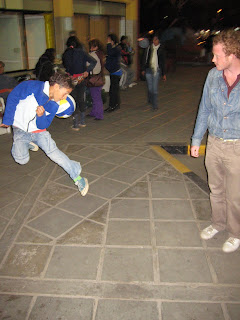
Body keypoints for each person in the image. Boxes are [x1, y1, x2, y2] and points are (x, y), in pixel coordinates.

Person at [191, 29, 240, 253]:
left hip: (237, 146)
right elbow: (204, 109)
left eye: (217, 55)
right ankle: (218, 224)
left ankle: (235, 232)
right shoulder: (213, 76)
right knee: (216, 189)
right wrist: (196, 139)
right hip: (214, 143)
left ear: (232, 55)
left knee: (235, 196)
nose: (213, 59)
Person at [0, 72, 89, 196]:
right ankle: (27, 144)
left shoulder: (54, 104)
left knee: (54, 153)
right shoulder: (32, 87)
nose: (65, 97)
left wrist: (40, 116)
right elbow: (13, 97)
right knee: (21, 160)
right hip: (20, 129)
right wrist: (8, 120)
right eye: (65, 93)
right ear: (57, 86)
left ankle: (77, 177)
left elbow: (43, 125)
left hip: (39, 132)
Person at [62, 36, 96, 130]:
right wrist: (87, 71)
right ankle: (83, 121)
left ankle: (75, 124)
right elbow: (94, 62)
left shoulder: (66, 54)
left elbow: (65, 67)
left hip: (71, 79)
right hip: (81, 78)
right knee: (81, 98)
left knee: (73, 100)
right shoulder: (82, 52)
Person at [141, 33, 166, 111]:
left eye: (156, 39)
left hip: (157, 70)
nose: (154, 41)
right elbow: (144, 59)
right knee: (150, 87)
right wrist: (143, 69)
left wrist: (164, 74)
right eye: (153, 39)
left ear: (159, 40)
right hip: (148, 69)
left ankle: (155, 105)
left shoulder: (161, 49)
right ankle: (150, 99)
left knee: (154, 88)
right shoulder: (149, 48)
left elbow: (162, 62)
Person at [87, 39, 105, 120]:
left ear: (96, 47)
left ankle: (99, 114)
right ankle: (95, 112)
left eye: (92, 46)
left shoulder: (93, 55)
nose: (91, 48)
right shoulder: (100, 54)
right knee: (96, 96)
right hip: (99, 77)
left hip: (94, 78)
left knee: (96, 97)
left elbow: (87, 64)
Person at [104, 33, 122, 113]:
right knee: (115, 89)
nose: (107, 41)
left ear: (113, 40)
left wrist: (108, 44)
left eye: (109, 40)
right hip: (113, 71)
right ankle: (116, 104)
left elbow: (110, 53)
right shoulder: (115, 48)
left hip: (115, 71)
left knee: (113, 90)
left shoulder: (116, 48)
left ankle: (112, 106)